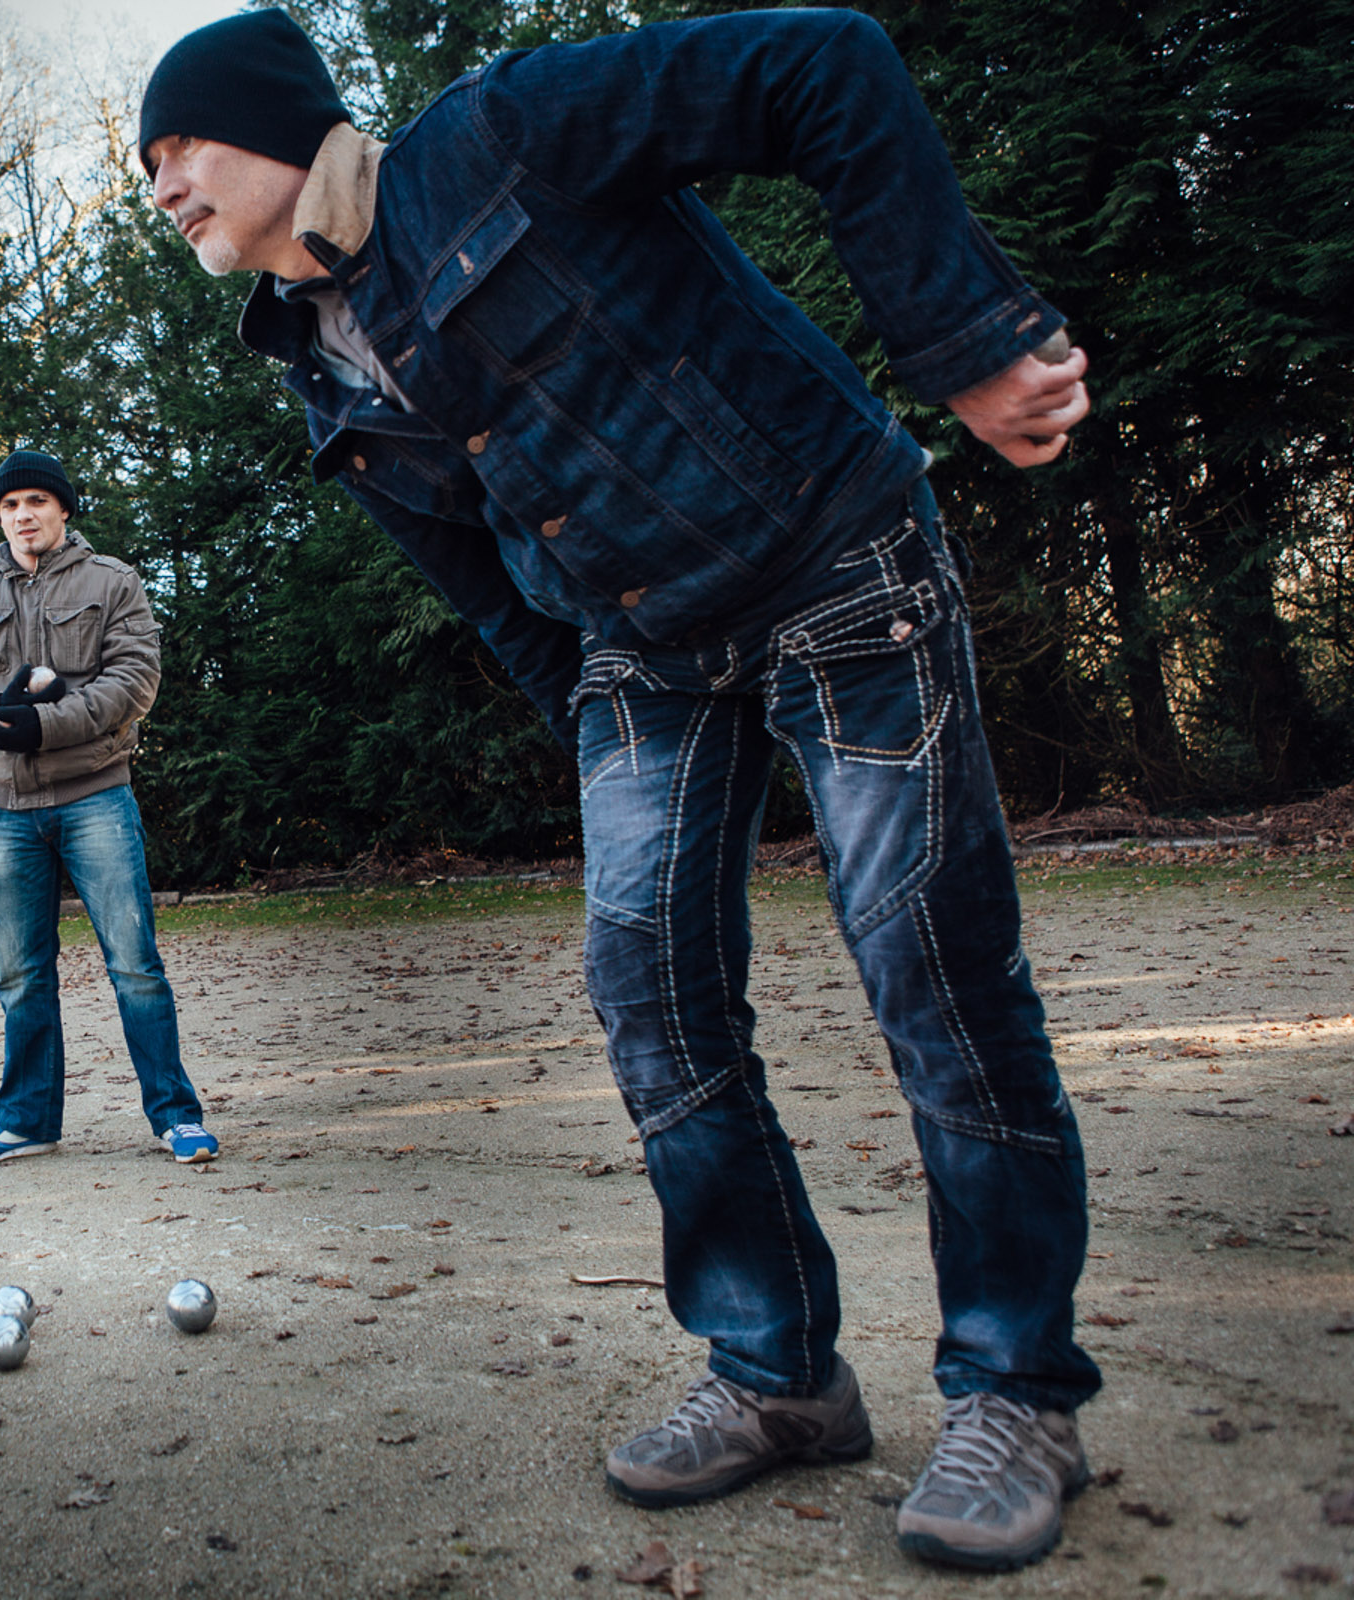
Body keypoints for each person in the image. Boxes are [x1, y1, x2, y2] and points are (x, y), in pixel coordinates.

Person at [136, 8, 1097, 1573]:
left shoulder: (499, 133)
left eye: (176, 148)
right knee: (647, 994)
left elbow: (821, 64)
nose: (160, 186)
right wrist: (582, 711)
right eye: (146, 170)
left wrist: (966, 343)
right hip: (638, 654)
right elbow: (477, 579)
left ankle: (1016, 1390)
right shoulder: (314, 360)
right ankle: (776, 1377)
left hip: (829, 558)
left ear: (273, 124)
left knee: (928, 969)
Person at [0, 449, 218, 1169]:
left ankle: (176, 1119)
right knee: (21, 974)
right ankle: (25, 1124)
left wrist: (45, 725)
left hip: (95, 797)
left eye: (34, 501)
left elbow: (134, 679)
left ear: (62, 509)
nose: (21, 515)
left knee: (134, 965)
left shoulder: (112, 582)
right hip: (6, 810)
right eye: (8, 506)